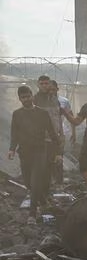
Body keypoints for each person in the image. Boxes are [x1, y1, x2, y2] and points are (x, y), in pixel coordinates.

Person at [8, 86, 61, 220]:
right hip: (24, 152)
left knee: (35, 181)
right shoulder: (17, 114)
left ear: (32, 96)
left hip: (40, 151)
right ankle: (43, 201)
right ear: (19, 99)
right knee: (28, 183)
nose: (26, 99)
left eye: (28, 96)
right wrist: (12, 149)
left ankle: (32, 214)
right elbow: (14, 133)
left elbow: (53, 134)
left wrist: (58, 152)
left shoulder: (42, 113)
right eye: (23, 97)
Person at [33, 75, 66, 185]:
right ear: (38, 84)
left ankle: (55, 188)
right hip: (41, 138)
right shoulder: (35, 100)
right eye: (41, 83)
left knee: (56, 162)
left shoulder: (55, 99)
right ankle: (42, 192)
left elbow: (58, 118)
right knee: (43, 166)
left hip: (55, 137)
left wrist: (61, 134)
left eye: (46, 83)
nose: (44, 86)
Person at [50, 80, 78, 145]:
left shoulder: (64, 101)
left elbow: (71, 117)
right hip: (46, 134)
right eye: (49, 90)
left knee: (59, 153)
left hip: (60, 132)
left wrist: (73, 133)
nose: (51, 92)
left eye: (53, 89)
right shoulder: (42, 101)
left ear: (57, 89)